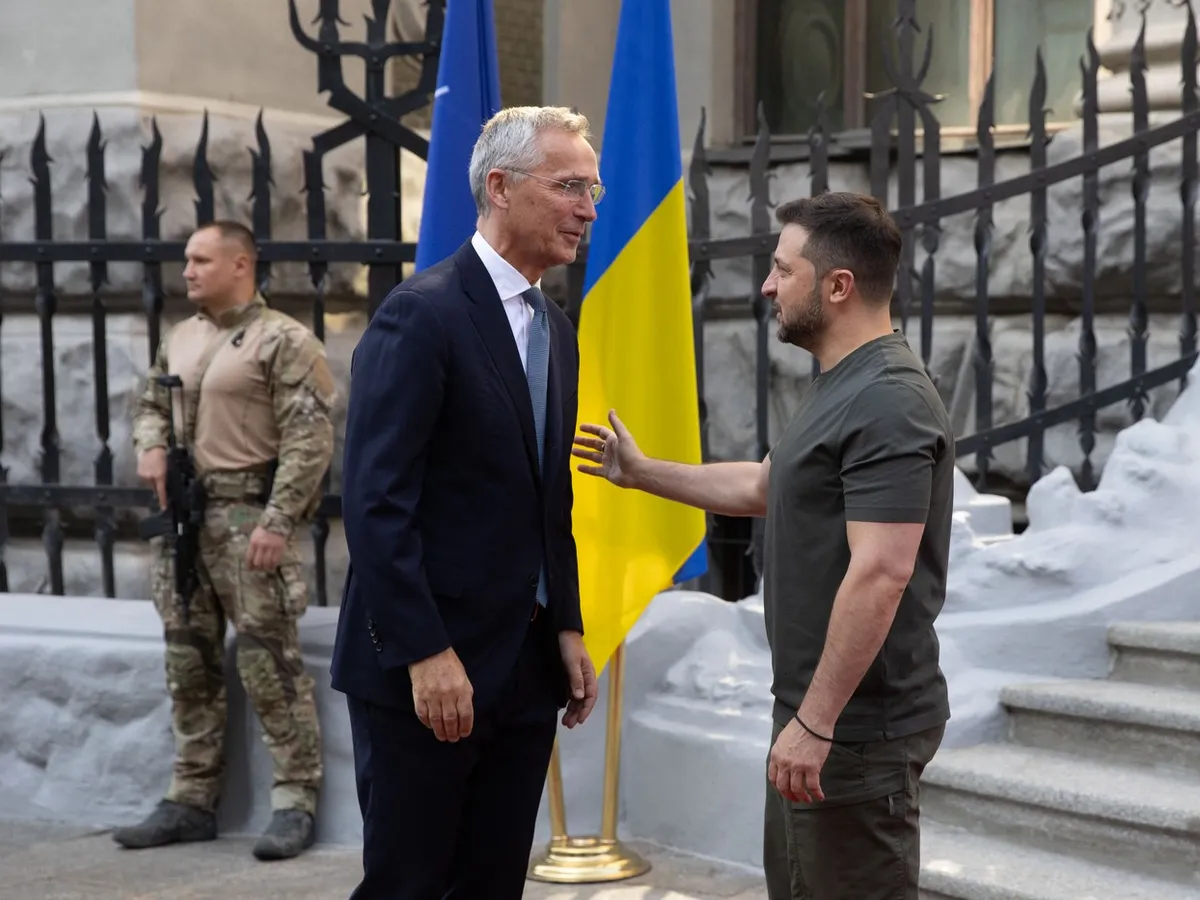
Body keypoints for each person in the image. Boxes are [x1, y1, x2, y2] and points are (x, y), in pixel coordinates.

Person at [573, 192, 955, 900]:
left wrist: (816, 723)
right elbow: (763, 487)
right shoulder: (844, 384)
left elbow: (880, 574)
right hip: (822, 720)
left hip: (854, 730)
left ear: (838, 286)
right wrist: (641, 472)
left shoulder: (888, 400)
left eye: (783, 269)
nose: (767, 285)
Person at [332, 105, 602, 899]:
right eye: (569, 187)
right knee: (408, 885)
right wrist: (424, 650)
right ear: (499, 186)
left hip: (522, 671)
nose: (588, 209)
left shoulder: (556, 327)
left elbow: (548, 497)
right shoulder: (422, 313)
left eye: (594, 189)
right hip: (429, 671)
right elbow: (377, 501)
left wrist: (569, 623)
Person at [119, 220, 336, 862]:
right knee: (189, 662)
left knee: (269, 665)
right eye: (186, 259)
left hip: (249, 518)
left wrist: (277, 521)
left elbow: (309, 438)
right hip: (185, 520)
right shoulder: (180, 338)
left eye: (200, 259)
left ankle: (295, 801)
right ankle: (190, 798)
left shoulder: (284, 340)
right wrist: (152, 446)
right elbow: (151, 404)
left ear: (241, 264)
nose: (187, 270)